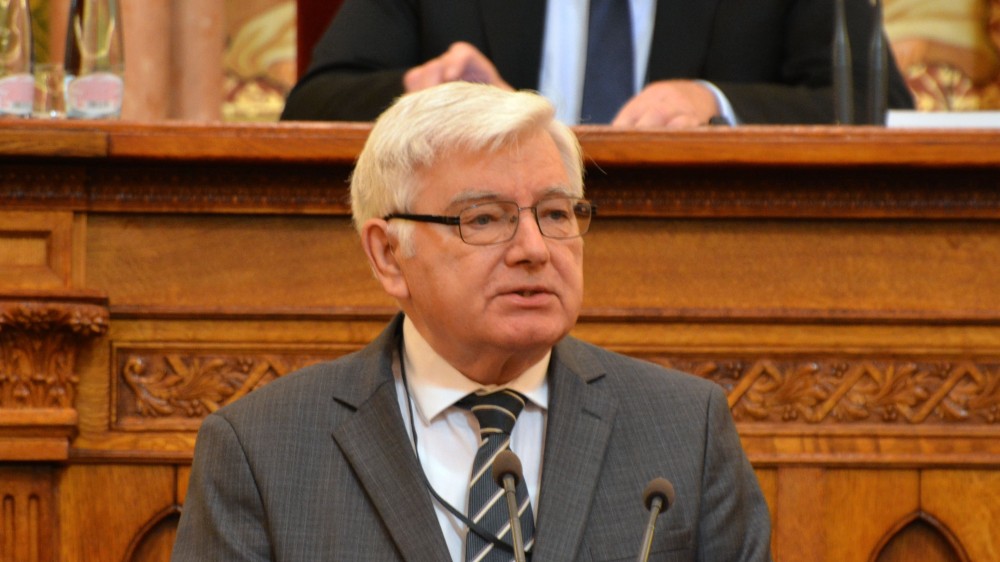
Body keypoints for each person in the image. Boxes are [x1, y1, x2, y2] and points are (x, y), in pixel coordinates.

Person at [172, 82, 772, 561]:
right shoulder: (261, 450)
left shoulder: (684, 428)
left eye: (555, 213)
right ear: (388, 254)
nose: (534, 249)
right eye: (484, 219)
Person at [280, 0, 913, 126]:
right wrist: (438, 97)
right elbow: (314, 103)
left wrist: (714, 103)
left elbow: (877, 108)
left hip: (710, 265)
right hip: (489, 269)